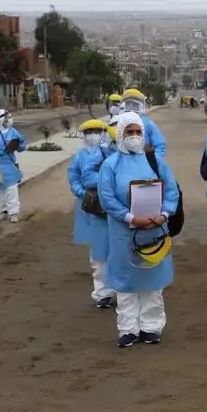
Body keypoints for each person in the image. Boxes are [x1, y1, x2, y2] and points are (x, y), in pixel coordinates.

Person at [97, 111, 180, 347]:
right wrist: (131, 217)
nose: (134, 136)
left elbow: (171, 190)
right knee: (126, 281)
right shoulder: (110, 165)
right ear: (120, 135)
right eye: (129, 132)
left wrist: (164, 214)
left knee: (152, 279)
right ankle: (128, 329)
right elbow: (107, 198)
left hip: (154, 230)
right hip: (124, 233)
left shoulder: (154, 160)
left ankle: (151, 327)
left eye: (138, 131)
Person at [68, 119, 115, 309]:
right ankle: (102, 293)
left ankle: (118, 287)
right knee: (98, 249)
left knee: (117, 246)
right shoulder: (79, 157)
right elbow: (74, 179)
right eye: (89, 132)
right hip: (89, 206)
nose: (93, 135)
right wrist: (83, 193)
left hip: (113, 206)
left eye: (97, 131)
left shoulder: (111, 153)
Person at [0, 109, 28, 223]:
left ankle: (13, 213)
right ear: (0, 120)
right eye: (7, 117)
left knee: (12, 190)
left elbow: (21, 148)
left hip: (9, 165)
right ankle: (2, 211)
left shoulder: (13, 131)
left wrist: (20, 142)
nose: (10, 119)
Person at [120, 88, 167, 157]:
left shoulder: (148, 124)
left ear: (140, 105)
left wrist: (153, 160)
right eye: (128, 103)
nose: (131, 106)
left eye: (134, 104)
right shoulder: (119, 122)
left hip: (143, 160)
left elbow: (160, 146)